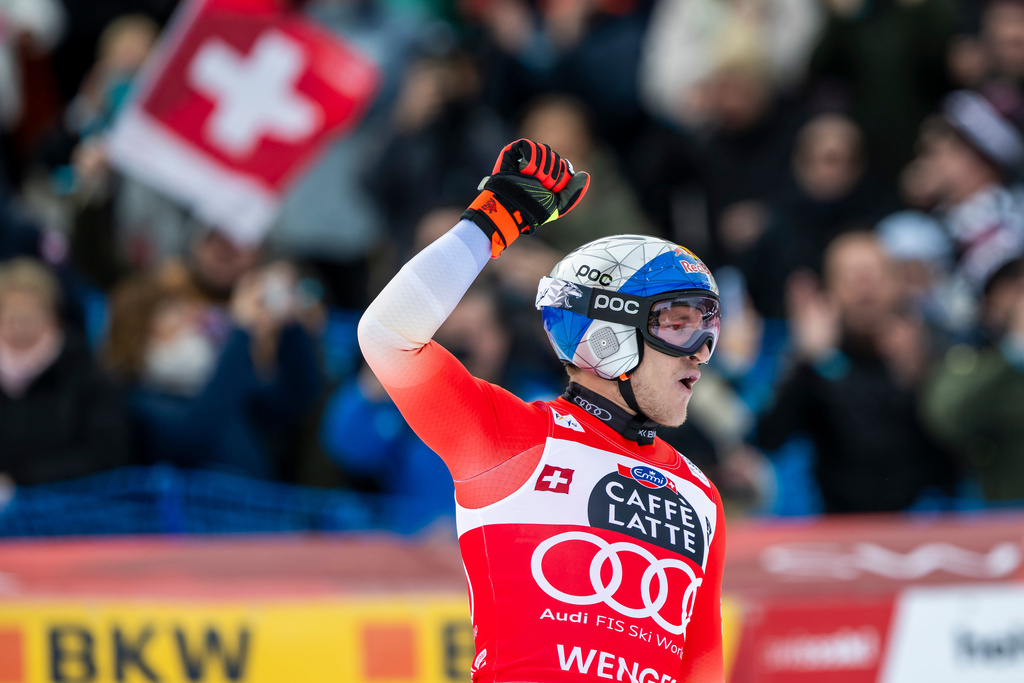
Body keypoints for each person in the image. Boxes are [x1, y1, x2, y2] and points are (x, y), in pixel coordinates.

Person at [358, 139, 726, 681]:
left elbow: (701, 664)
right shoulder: (509, 437)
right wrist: (492, 220)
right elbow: (388, 336)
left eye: (709, 328)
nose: (700, 349)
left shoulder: (700, 493)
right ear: (608, 337)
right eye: (678, 324)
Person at [0, 257, 130, 487]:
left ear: (54, 317)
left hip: (64, 511)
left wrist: (20, 479)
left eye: (30, 316)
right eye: (11, 316)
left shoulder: (86, 377)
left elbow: (107, 455)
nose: (20, 327)